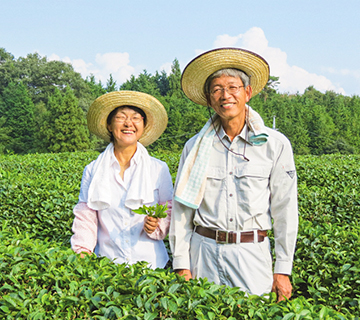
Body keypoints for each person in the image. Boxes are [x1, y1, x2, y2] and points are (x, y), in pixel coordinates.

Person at [169, 48, 298, 301]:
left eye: (233, 87)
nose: (225, 95)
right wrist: (181, 263)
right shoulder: (194, 146)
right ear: (209, 98)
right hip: (203, 252)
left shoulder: (274, 144)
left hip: (251, 253)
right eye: (216, 89)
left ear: (247, 92)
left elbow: (285, 208)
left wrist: (283, 268)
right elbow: (182, 209)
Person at [71, 90, 173, 269]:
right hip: (109, 267)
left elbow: (169, 209)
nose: (128, 123)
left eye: (136, 118)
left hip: (153, 266)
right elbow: (86, 218)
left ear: (143, 125)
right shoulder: (93, 170)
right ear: (110, 125)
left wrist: (157, 225)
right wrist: (83, 256)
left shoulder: (158, 169)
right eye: (121, 117)